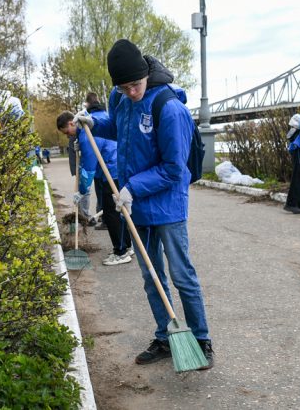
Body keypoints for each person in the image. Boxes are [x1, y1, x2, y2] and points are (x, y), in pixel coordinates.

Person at [74, 39, 213, 368]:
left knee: (181, 276)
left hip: (166, 205)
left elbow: (174, 169)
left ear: (146, 75)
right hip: (134, 206)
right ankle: (166, 336)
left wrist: (133, 187)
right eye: (123, 88)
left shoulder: (169, 108)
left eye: (135, 85)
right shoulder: (120, 99)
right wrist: (95, 123)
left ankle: (201, 339)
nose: (131, 93)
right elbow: (121, 130)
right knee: (152, 276)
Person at [57, 111, 133, 266]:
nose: (67, 136)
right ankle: (126, 247)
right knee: (118, 211)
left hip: (111, 172)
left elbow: (89, 169)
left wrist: (82, 191)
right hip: (116, 169)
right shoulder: (85, 131)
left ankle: (121, 252)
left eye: (67, 132)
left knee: (111, 213)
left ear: (72, 123)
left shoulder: (86, 135)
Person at [85, 92, 107, 229]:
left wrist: (83, 186)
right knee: (107, 197)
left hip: (104, 166)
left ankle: (106, 221)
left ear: (87, 104)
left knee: (105, 196)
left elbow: (91, 153)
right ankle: (105, 219)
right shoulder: (106, 115)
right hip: (111, 164)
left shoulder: (91, 120)